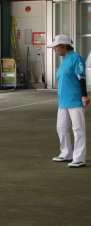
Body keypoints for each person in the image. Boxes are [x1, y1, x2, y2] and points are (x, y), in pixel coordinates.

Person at [48, 34, 90, 168]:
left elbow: (81, 77)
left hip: (75, 100)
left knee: (78, 129)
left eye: (56, 47)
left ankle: (79, 158)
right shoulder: (64, 60)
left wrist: (84, 95)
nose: (54, 49)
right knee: (61, 128)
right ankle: (66, 153)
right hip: (63, 101)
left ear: (64, 46)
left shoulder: (76, 58)